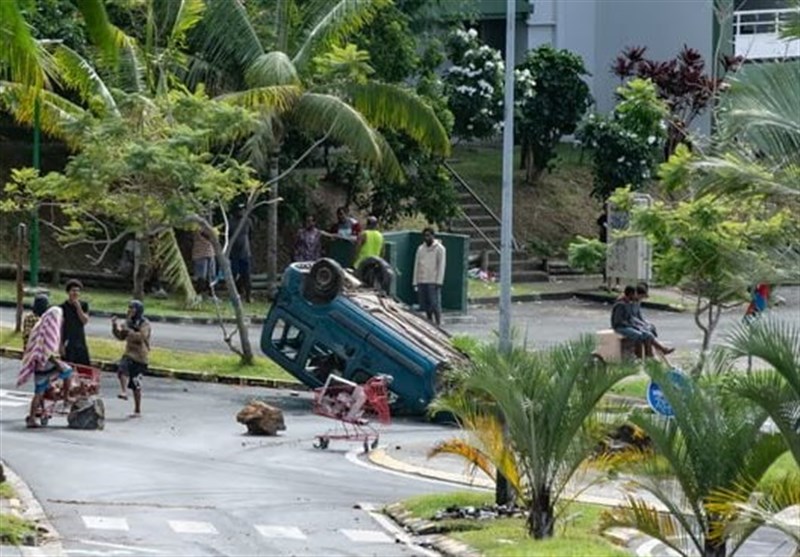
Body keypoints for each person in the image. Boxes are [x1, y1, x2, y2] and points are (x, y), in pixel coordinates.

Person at [17, 306, 73, 428]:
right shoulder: (50, 329)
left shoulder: (39, 327)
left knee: (39, 393)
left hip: (38, 366)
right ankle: (66, 397)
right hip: (47, 364)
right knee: (68, 371)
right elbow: (48, 352)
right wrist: (58, 365)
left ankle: (32, 418)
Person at [112, 300, 151, 417]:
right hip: (129, 354)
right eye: (128, 308)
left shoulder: (145, 323)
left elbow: (141, 337)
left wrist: (129, 330)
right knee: (122, 368)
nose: (129, 310)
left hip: (140, 357)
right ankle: (123, 391)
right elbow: (121, 336)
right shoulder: (128, 322)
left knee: (135, 384)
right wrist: (115, 326)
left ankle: (137, 409)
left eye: (132, 308)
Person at [611, 285, 674, 357]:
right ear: (630, 294)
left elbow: (633, 318)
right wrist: (634, 326)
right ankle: (641, 357)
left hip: (628, 325)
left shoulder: (628, 303)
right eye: (634, 294)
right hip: (620, 327)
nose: (635, 296)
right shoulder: (621, 304)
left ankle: (650, 356)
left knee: (647, 334)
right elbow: (619, 321)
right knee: (639, 335)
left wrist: (640, 325)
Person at [413, 227, 447, 326]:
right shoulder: (420, 248)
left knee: (435, 303)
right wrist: (415, 281)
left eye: (428, 235)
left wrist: (439, 281)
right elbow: (417, 265)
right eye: (425, 236)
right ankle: (430, 322)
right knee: (426, 304)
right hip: (422, 279)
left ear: (433, 236)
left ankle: (438, 322)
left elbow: (441, 265)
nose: (426, 238)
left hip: (433, 280)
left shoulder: (440, 249)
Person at [60, 279, 90, 366]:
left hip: (80, 341)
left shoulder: (84, 305)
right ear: (68, 292)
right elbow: (60, 327)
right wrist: (60, 345)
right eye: (73, 290)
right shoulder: (62, 307)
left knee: (83, 368)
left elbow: (84, 321)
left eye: (78, 291)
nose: (75, 293)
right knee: (67, 368)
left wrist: (78, 307)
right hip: (67, 341)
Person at [229, 205, 253, 304]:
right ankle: (235, 295)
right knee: (234, 274)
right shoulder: (231, 222)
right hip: (233, 253)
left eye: (242, 210)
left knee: (246, 275)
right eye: (239, 210)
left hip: (245, 252)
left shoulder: (247, 221)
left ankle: (248, 295)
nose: (241, 212)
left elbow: (251, 234)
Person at [191, 227, 216, 297]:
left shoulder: (209, 225)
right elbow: (205, 235)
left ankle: (212, 294)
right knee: (201, 276)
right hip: (200, 253)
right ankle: (198, 294)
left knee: (211, 275)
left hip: (210, 252)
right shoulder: (196, 226)